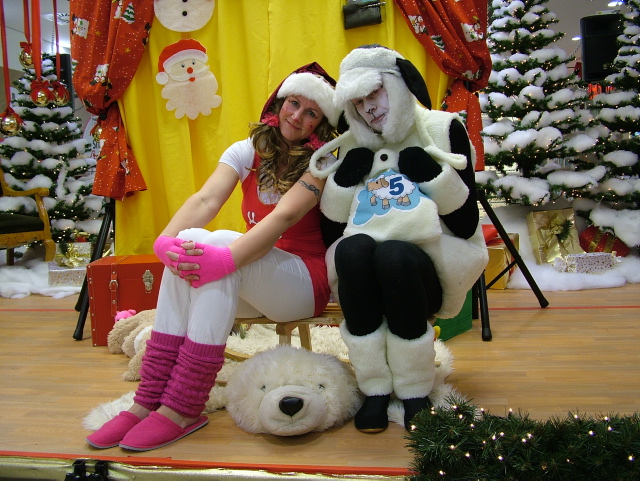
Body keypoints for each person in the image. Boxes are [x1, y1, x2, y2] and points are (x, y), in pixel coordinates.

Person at [86, 63, 340, 451]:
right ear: (279, 102)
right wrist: (165, 241)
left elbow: (286, 215)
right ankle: (149, 399)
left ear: (320, 124)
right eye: (293, 103)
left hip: (302, 282)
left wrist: (223, 257)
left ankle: (184, 405)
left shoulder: (322, 162)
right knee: (190, 239)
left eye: (312, 113)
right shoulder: (247, 151)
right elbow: (206, 199)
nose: (297, 117)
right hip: (256, 278)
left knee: (218, 242)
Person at [310, 45, 488, 433]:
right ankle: (374, 387)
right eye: (358, 102)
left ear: (398, 83)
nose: (369, 108)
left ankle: (414, 389)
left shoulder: (443, 129)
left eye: (374, 93)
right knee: (353, 250)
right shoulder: (353, 145)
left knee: (394, 255)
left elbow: (465, 223)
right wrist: (340, 182)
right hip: (366, 270)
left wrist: (434, 178)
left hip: (429, 267)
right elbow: (332, 237)